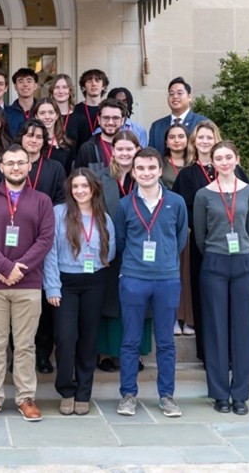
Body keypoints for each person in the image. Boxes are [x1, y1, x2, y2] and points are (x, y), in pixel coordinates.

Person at [0, 144, 55, 422]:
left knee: (25, 345)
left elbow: (45, 239)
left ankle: (25, 398)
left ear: (30, 165)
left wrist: (18, 269)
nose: (16, 167)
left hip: (28, 284)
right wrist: (5, 267)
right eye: (10, 163)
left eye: (21, 162)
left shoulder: (42, 201)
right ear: (1, 166)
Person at [114, 147, 188, 418]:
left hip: (167, 278)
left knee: (166, 341)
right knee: (131, 339)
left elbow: (180, 239)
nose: (146, 173)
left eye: (151, 168)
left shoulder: (176, 202)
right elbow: (120, 241)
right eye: (140, 168)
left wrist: (164, 260)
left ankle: (167, 396)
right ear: (133, 172)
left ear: (160, 170)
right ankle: (128, 394)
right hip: (134, 278)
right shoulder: (124, 205)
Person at [172, 121, 249, 362]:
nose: (204, 141)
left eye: (209, 137)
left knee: (233, 305)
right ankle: (209, 354)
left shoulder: (233, 170)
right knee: (205, 300)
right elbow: (184, 208)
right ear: (194, 142)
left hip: (235, 249)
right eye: (200, 137)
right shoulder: (187, 174)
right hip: (202, 245)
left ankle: (232, 355)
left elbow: (248, 212)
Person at [194, 141, 249, 416]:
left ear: (237, 159)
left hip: (243, 262)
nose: (223, 162)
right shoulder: (203, 195)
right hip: (214, 263)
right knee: (216, 328)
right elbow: (199, 234)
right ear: (213, 162)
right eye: (218, 158)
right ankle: (220, 393)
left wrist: (239, 250)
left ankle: (241, 393)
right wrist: (216, 253)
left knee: (244, 330)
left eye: (228, 157)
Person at [44, 168, 115, 415]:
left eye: (85, 186)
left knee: (88, 339)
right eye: (76, 187)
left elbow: (111, 250)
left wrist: (94, 261)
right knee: (65, 338)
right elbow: (50, 252)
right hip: (65, 283)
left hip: (94, 282)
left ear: (93, 188)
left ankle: (83, 392)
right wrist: (52, 286)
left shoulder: (103, 217)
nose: (80, 191)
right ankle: (66, 389)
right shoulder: (58, 213)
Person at [96, 131, 151, 373]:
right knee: (109, 300)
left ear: (137, 150)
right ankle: (107, 352)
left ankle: (136, 353)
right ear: (112, 151)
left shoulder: (147, 177)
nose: (125, 153)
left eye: (130, 149)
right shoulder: (100, 176)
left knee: (138, 301)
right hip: (108, 248)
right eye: (120, 149)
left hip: (139, 248)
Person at [15, 119, 66, 374]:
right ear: (21, 138)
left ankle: (43, 355)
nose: (33, 140)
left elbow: (60, 200)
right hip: (14, 240)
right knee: (18, 301)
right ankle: (17, 355)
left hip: (45, 238)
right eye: (28, 135)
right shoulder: (12, 163)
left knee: (43, 304)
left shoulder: (54, 167)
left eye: (38, 136)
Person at [160, 122, 194, 336]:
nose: (176, 140)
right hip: (165, 222)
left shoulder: (194, 164)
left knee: (186, 273)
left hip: (189, 224)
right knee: (170, 272)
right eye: (172, 137)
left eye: (181, 136)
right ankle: (172, 317)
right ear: (166, 141)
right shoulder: (160, 164)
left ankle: (188, 318)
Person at [149, 77, 208, 156]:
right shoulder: (157, 126)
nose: (175, 97)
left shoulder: (203, 123)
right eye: (171, 94)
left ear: (189, 97)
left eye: (179, 93)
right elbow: (151, 155)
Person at [76, 98, 127, 175]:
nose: (110, 122)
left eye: (115, 118)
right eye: (106, 118)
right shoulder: (87, 149)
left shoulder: (131, 147)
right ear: (99, 119)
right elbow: (79, 179)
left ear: (123, 120)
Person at [67, 69, 108, 152]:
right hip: (80, 155)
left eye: (97, 80)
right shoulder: (74, 110)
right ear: (83, 87)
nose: (93, 84)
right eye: (89, 81)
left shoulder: (109, 110)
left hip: (104, 154)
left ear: (103, 86)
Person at [33, 97, 73, 174]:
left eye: (51, 112)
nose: (47, 117)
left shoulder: (66, 145)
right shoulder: (29, 142)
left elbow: (68, 174)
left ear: (57, 115)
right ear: (36, 116)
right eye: (42, 113)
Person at [8, 67, 39, 137]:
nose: (25, 84)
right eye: (20, 81)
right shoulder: (7, 113)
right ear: (15, 86)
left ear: (35, 86)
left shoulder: (43, 111)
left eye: (29, 81)